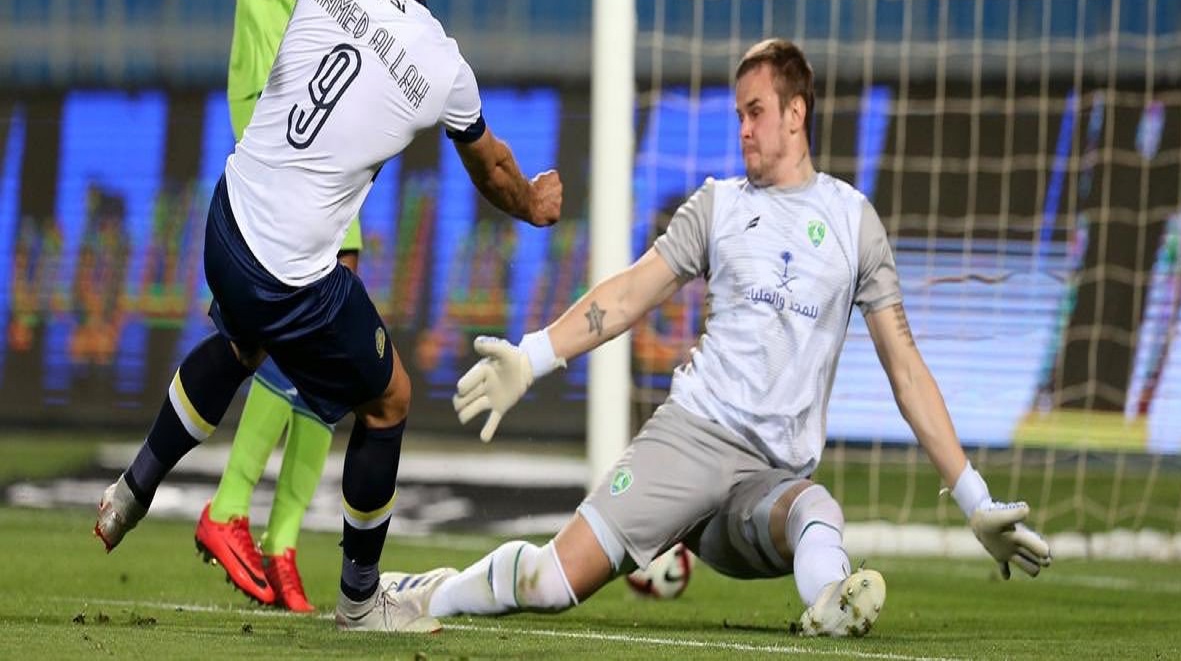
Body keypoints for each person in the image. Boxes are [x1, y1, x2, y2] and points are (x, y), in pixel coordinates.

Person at [425, 39, 1050, 638]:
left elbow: (905, 369)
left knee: (818, 512)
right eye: (739, 115)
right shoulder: (718, 206)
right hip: (692, 440)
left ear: (795, 112)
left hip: (770, 479)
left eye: (755, 113)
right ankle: (430, 593)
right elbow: (628, 295)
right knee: (548, 583)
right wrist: (533, 356)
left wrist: (976, 501)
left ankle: (832, 605)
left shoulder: (854, 223)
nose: (743, 129)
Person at [95, 0, 563, 635]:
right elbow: (494, 168)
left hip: (227, 221)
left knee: (243, 340)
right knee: (390, 400)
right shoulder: (443, 66)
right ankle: (359, 601)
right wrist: (533, 205)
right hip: (291, 276)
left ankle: (134, 490)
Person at [170, 0, 362, 612]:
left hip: (335, 75)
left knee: (342, 294)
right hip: (268, 71)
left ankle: (283, 538)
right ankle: (233, 505)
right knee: (308, 297)